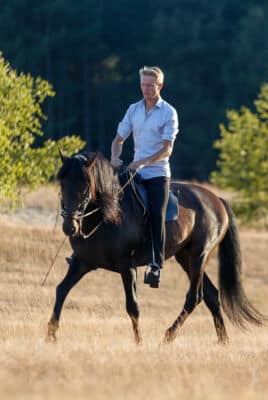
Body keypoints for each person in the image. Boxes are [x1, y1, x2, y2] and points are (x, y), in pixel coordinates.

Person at [110, 66, 179, 288]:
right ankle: (87, 250)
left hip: (157, 174)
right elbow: (119, 139)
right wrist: (114, 157)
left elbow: (167, 149)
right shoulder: (133, 109)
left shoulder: (169, 112)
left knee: (157, 215)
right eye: (143, 84)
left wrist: (143, 162)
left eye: (150, 85)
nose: (146, 89)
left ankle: (156, 264)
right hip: (134, 171)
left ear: (160, 86)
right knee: (106, 200)